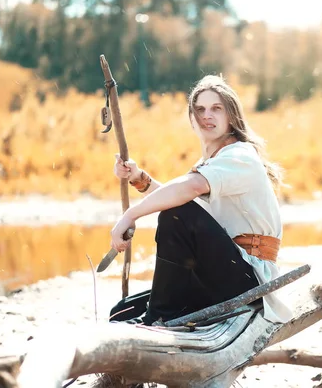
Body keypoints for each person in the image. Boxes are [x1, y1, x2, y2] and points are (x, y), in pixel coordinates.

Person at [108, 75, 292, 326]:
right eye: (200, 109)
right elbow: (180, 198)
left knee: (176, 215)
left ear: (231, 116)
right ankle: (160, 316)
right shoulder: (210, 163)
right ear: (192, 118)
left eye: (217, 108)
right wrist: (139, 178)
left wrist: (131, 214)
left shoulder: (239, 155)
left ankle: (157, 319)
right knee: (123, 312)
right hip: (220, 270)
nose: (207, 115)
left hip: (250, 279)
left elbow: (188, 194)